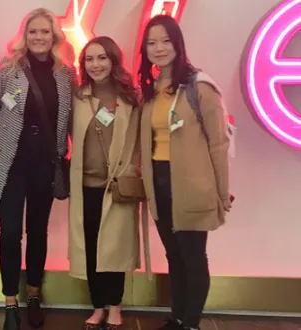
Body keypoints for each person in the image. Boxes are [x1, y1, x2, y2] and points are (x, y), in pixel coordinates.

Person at [0, 8, 74, 330]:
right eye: (33, 31)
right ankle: (10, 301)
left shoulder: (66, 73)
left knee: (38, 232)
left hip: (45, 165)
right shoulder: (7, 70)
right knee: (9, 233)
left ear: (55, 36)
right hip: (11, 166)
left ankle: (33, 294)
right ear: (24, 34)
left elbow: (68, 119)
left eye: (45, 32)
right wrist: (4, 148)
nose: (39, 37)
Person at [137, 15, 232, 330]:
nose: (159, 48)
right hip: (160, 182)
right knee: (173, 256)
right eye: (152, 42)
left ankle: (191, 322)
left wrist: (221, 191)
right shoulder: (153, 89)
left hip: (192, 184)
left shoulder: (199, 87)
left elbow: (219, 144)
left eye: (165, 41)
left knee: (193, 258)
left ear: (178, 44)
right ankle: (177, 317)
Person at [67, 36, 148, 330]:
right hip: (86, 186)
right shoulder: (79, 97)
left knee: (114, 250)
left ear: (113, 60)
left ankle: (116, 306)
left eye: (102, 58)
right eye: (89, 59)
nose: (96, 64)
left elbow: (141, 142)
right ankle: (97, 306)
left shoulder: (130, 98)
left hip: (117, 187)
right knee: (91, 248)